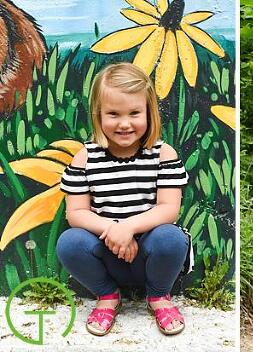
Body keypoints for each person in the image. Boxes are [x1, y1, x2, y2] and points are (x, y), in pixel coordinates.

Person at [57, 62, 189, 336]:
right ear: (98, 115)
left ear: (149, 113)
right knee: (70, 242)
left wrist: (128, 227)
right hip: (107, 255)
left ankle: (159, 297)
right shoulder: (85, 157)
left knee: (172, 237)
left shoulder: (163, 154)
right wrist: (113, 230)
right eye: (113, 114)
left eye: (134, 113)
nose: (125, 123)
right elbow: (76, 213)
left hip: (150, 255)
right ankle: (107, 296)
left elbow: (169, 209)